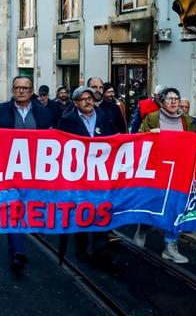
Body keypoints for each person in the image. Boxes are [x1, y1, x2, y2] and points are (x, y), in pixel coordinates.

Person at [0, 75, 52, 271]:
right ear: (12, 90)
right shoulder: (0, 111)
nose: (21, 91)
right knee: (13, 207)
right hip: (8, 170)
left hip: (34, 170)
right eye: (17, 88)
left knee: (27, 208)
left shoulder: (43, 112)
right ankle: (18, 249)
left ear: (31, 91)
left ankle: (15, 246)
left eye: (25, 88)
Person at [135, 87, 196, 263]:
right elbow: (138, 139)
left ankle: (170, 246)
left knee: (176, 207)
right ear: (161, 102)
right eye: (170, 99)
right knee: (155, 204)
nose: (174, 102)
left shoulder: (188, 120)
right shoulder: (152, 118)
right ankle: (143, 227)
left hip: (180, 171)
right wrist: (148, 134)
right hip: (158, 170)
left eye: (176, 98)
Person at [57, 86, 118, 270]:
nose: (88, 101)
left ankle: (101, 250)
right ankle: (82, 248)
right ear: (76, 103)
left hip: (101, 172)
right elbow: (61, 145)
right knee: (82, 210)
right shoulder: (67, 120)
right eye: (83, 99)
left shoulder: (104, 116)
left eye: (90, 98)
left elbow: (116, 138)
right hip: (79, 174)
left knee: (101, 209)